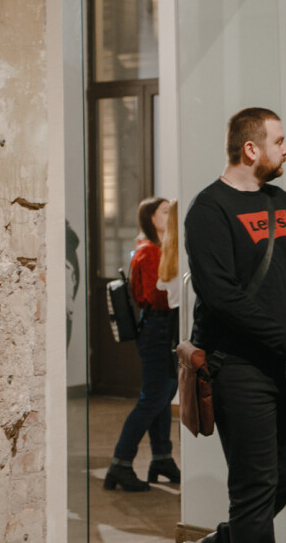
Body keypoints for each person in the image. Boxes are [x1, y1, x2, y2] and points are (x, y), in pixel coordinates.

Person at [184, 107, 286, 543]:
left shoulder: (279, 201)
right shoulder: (208, 210)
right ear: (251, 149)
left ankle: (227, 539)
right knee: (255, 488)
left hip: (285, 362)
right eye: (278, 142)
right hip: (238, 367)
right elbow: (223, 297)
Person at [105, 197, 181, 492]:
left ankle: (162, 459)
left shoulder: (158, 248)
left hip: (162, 329)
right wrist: (180, 290)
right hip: (158, 328)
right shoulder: (149, 251)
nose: (170, 216)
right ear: (151, 218)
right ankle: (120, 464)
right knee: (153, 399)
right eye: (165, 212)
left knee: (162, 397)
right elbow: (153, 296)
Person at [156, 199, 181, 309]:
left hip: (174, 311)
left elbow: (160, 285)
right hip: (185, 310)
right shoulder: (187, 248)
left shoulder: (169, 250)